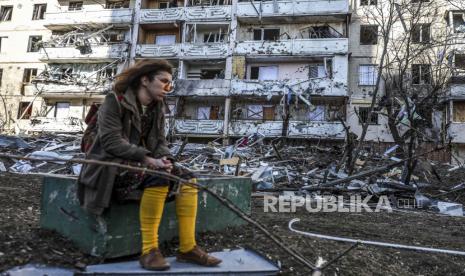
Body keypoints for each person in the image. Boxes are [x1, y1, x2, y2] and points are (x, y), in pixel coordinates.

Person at [77, 59, 221, 271]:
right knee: (158, 176)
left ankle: (188, 248)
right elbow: (111, 142)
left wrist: (166, 159)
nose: (168, 87)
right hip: (109, 166)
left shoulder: (156, 107)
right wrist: (147, 159)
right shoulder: (114, 101)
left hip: (141, 162)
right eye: (163, 81)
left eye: (169, 83)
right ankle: (149, 251)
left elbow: (160, 142)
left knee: (187, 178)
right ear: (145, 80)